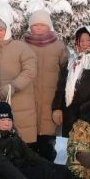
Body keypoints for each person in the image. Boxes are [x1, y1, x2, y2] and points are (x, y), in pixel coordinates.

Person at [22, 9, 68, 161]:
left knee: (47, 142)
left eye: (43, 25)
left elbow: (66, 73)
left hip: (51, 100)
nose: (39, 28)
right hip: (28, 99)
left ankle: (49, 168)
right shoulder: (22, 45)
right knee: (28, 141)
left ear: (49, 26)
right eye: (36, 25)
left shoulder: (59, 47)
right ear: (30, 27)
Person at [0, 10, 38, 145]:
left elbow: (30, 71)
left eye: (0, 29)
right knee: (2, 144)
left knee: (21, 143)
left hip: (21, 104)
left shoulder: (21, 48)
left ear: (7, 30)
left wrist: (13, 86)